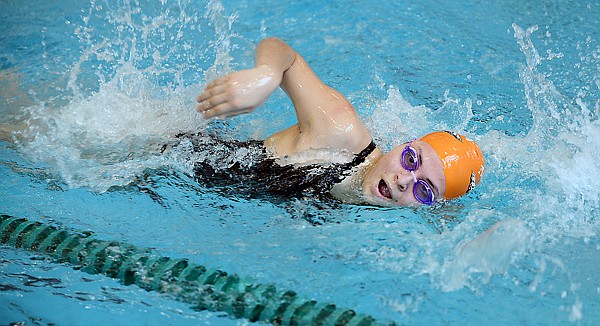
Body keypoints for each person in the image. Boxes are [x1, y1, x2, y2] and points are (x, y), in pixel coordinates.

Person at [195, 37, 484, 206]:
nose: (405, 180)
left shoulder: (382, 203)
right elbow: (284, 53)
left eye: (425, 190)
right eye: (410, 159)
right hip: (184, 163)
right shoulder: (338, 130)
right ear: (402, 144)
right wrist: (266, 75)